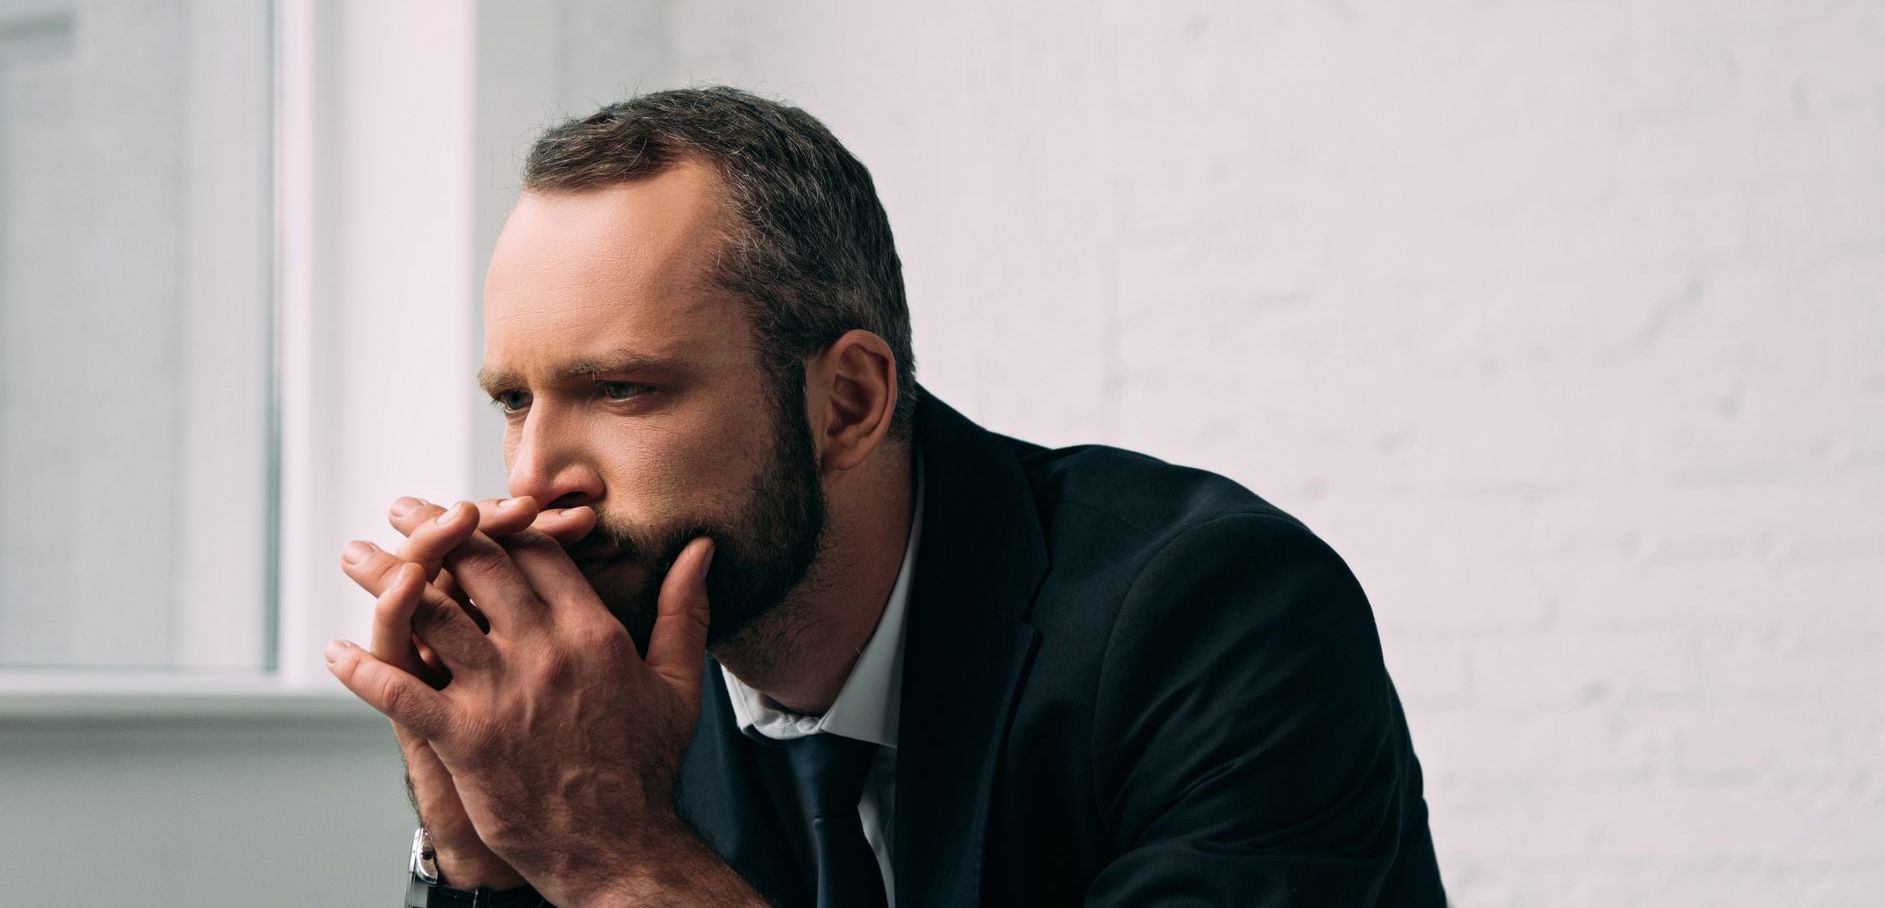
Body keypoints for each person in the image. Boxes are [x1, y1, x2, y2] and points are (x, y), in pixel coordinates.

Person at [327, 86, 1445, 907]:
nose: (533, 476)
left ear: (849, 402)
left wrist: (614, 858)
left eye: (623, 389)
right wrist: (483, 863)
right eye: (515, 400)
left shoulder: (1217, 615)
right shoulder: (603, 694)